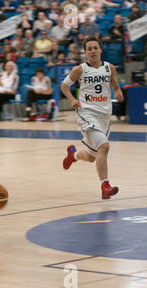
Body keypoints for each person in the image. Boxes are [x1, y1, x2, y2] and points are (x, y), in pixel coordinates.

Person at [61, 36, 123, 199]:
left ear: (101, 50)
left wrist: (118, 92)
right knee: (104, 147)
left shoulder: (110, 68)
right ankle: (105, 186)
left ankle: (72, 155)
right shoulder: (79, 69)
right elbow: (64, 85)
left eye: (95, 48)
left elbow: (115, 85)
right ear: (85, 52)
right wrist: (73, 99)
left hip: (104, 116)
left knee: (90, 157)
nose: (93, 51)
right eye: (89, 49)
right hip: (86, 113)